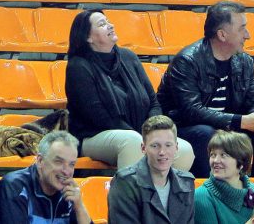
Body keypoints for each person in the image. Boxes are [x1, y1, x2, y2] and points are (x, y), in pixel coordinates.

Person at [157, 0, 254, 178]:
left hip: (227, 126)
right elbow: (191, 112)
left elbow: (252, 103)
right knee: (205, 133)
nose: (248, 35)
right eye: (242, 28)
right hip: (183, 127)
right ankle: (208, 195)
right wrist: (242, 121)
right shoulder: (187, 61)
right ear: (222, 35)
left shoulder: (244, 61)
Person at [65, 9, 194, 171]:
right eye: (102, 24)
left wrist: (154, 130)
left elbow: (153, 101)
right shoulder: (78, 66)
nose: (110, 26)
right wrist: (143, 137)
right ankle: (128, 196)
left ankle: (163, 195)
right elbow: (97, 116)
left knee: (183, 149)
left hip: (139, 133)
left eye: (108, 21)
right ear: (88, 37)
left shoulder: (128, 57)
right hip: (93, 135)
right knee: (132, 142)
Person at [0, 130, 91, 224]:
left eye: (71, 164)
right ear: (40, 161)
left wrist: (79, 207)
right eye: (58, 162)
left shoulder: (68, 194)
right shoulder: (13, 187)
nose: (66, 171)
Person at [107, 115, 195, 224]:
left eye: (168, 145)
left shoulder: (187, 183)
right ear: (143, 148)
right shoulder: (125, 183)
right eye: (155, 146)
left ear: (176, 147)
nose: (162, 152)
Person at [193, 131, 254, 224]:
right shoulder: (202, 196)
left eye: (223, 155)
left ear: (241, 163)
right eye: (213, 155)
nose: (216, 160)